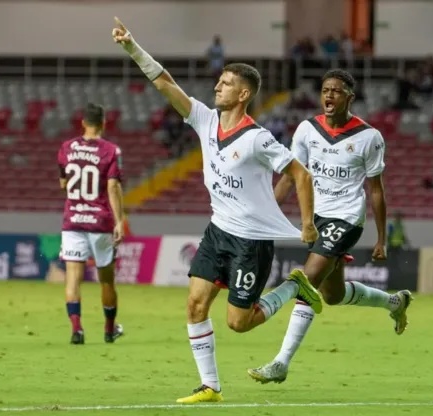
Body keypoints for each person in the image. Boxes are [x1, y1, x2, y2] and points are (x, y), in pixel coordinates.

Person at [112, 17, 323, 404]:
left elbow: (300, 173)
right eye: (219, 81)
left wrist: (307, 224)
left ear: (243, 94)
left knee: (238, 323)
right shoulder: (205, 119)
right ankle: (210, 386)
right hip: (218, 231)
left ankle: (295, 286)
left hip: (251, 241)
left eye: (225, 84)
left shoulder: (258, 138)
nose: (217, 87)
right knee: (194, 304)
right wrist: (132, 48)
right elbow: (164, 84)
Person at [247, 69, 413, 385]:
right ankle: (395, 302)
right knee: (332, 295)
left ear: (349, 97)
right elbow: (289, 176)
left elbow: (376, 189)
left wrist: (381, 238)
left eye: (336, 90)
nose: (329, 95)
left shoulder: (369, 137)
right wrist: (262, 215)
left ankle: (281, 362)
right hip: (317, 217)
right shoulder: (307, 130)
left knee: (306, 280)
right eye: (325, 89)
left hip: (348, 218)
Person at [57, 103, 126, 345]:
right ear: (104, 123)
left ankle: (77, 329)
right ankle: (109, 329)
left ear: (83, 123)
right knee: (106, 279)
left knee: (73, 279)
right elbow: (113, 186)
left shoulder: (66, 148)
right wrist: (119, 221)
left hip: (73, 220)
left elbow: (63, 184)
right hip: (100, 222)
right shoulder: (110, 150)